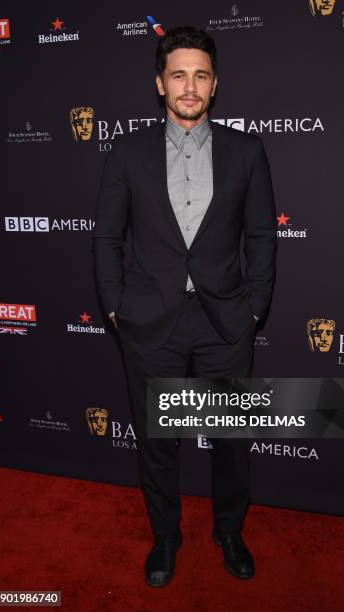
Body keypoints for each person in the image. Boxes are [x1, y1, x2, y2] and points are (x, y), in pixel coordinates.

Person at [92, 26, 277, 587]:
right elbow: (105, 236)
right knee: (157, 444)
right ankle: (166, 536)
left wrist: (253, 309)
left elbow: (262, 236)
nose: (189, 86)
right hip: (151, 322)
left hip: (225, 322)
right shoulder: (127, 152)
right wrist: (116, 308)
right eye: (179, 75)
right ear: (160, 83)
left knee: (231, 444)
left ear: (215, 84)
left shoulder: (247, 151)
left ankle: (228, 531)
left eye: (200, 75)